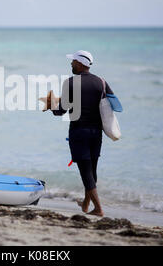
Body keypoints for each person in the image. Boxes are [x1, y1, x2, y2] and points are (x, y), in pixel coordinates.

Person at [42, 50, 114, 217]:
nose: (71, 64)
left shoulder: (71, 83)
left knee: (85, 172)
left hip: (79, 132)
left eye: (73, 61)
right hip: (97, 133)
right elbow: (112, 103)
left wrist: (51, 105)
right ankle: (85, 204)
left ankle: (98, 209)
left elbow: (61, 111)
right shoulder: (101, 82)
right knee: (92, 170)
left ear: (81, 64)